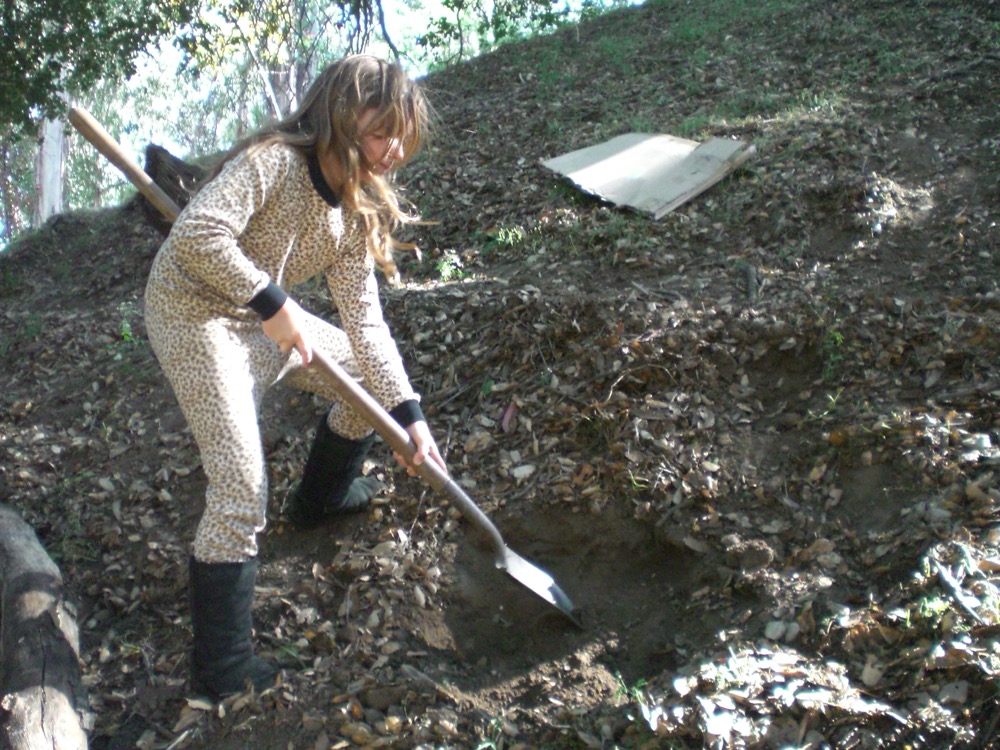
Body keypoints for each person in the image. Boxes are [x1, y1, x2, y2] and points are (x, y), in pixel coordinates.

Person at [143, 54, 445, 700]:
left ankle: (320, 500)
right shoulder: (272, 163)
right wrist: (272, 302)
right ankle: (222, 672)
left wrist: (409, 414)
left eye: (402, 137)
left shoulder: (353, 208)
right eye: (382, 131)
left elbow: (366, 325)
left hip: (263, 318)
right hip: (193, 314)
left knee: (366, 383)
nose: (394, 150)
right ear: (341, 114)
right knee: (241, 487)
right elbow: (195, 234)